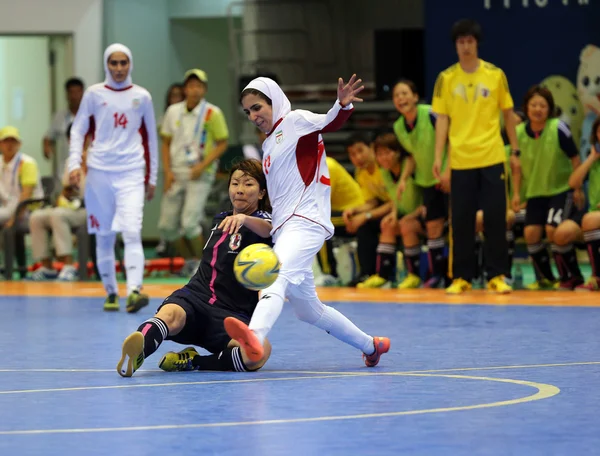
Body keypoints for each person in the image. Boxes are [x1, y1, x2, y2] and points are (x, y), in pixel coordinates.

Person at [226, 75, 390, 367]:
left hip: (306, 221)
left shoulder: (296, 121)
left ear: (273, 101)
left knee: (273, 277)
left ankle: (253, 337)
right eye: (248, 111)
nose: (253, 116)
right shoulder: (268, 146)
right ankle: (371, 345)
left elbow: (330, 122)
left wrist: (342, 104)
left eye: (258, 107)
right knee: (308, 310)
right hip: (285, 228)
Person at [117, 159, 273, 377]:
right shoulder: (221, 220)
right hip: (196, 298)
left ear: (261, 193)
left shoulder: (266, 223)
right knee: (170, 315)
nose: (240, 190)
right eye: (235, 183)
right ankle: (138, 350)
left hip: (232, 316)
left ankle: (194, 361)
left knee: (259, 353)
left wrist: (245, 219)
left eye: (248, 184)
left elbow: (268, 229)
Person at [432, 19, 520, 295]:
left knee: (495, 219)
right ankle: (462, 276)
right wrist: (440, 158)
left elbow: (508, 115)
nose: (466, 46)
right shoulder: (446, 78)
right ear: (456, 46)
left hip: (492, 156)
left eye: (470, 41)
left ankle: (497, 275)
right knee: (461, 221)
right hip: (460, 160)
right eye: (461, 42)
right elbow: (442, 120)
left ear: (477, 44)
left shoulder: (495, 75)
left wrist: (514, 150)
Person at [68, 43, 158, 312]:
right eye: (114, 63)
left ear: (130, 64)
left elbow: (151, 138)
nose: (119, 68)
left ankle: (134, 291)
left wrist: (151, 177)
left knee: (132, 231)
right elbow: (78, 130)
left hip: (131, 172)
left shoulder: (142, 96)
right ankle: (110, 292)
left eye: (123, 63)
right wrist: (74, 163)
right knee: (104, 235)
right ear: (107, 65)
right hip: (99, 173)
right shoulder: (94, 94)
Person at [158, 69, 229, 276]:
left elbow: (222, 143)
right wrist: (168, 171)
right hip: (177, 171)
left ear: (204, 89)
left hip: (200, 174)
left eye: (198, 86)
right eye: (190, 85)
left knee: (189, 223)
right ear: (185, 88)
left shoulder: (212, 113)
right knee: (167, 226)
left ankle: (202, 264)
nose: (194, 90)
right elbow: (166, 142)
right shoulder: (173, 111)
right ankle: (189, 260)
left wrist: (202, 165)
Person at [512, 86, 584, 290]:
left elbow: (575, 158)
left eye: (543, 105)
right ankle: (547, 278)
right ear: (526, 108)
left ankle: (572, 276)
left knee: (554, 230)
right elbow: (515, 167)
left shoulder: (558, 127)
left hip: (560, 190)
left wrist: (577, 188)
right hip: (536, 193)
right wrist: (517, 194)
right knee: (531, 235)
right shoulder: (518, 133)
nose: (538, 109)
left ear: (549, 109)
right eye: (533, 105)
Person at [393, 79, 449, 288]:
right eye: (397, 96)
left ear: (415, 97)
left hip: (449, 177)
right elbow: (411, 156)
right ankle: (436, 276)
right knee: (433, 227)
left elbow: (452, 141)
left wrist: (448, 171)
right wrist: (404, 179)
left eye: (405, 93)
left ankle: (462, 274)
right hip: (427, 181)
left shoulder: (432, 114)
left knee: (458, 227)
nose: (401, 98)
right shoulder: (399, 127)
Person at [356, 132, 423, 289]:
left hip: (422, 215)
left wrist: (411, 216)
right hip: (404, 214)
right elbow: (394, 198)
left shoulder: (410, 167)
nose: (383, 158)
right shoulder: (385, 172)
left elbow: (426, 198)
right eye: (380, 154)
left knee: (406, 225)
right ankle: (383, 276)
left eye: (388, 152)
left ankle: (414, 275)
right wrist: (393, 215)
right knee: (387, 224)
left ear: (398, 152)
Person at [569, 116, 600, 290]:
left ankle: (597, 277)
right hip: (594, 215)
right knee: (563, 232)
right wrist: (591, 158)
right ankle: (573, 277)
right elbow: (573, 183)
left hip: (594, 218)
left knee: (589, 220)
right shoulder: (594, 160)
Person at [0, 126, 44, 229]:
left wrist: (13, 220)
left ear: (19, 144)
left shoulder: (27, 163)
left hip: (27, 210)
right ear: (0, 144)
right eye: (6, 141)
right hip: (6, 207)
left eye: (13, 141)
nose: (10, 145)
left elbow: (26, 195)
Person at [43, 78, 85, 179]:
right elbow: (49, 137)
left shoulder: (90, 116)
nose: (74, 96)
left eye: (77, 92)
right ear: (66, 94)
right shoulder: (59, 116)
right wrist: (47, 148)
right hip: (64, 169)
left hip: (85, 167)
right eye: (71, 92)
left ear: (83, 93)